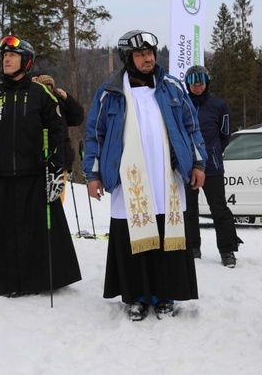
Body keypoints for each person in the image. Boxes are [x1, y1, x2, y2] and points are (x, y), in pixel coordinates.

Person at [84, 29, 207, 321]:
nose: (148, 58)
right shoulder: (109, 93)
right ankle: (137, 297)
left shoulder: (172, 87)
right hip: (129, 183)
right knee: (132, 240)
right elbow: (95, 135)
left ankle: (164, 296)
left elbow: (192, 129)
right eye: (140, 54)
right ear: (128, 59)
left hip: (167, 179)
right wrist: (93, 174)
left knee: (167, 237)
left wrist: (199, 165)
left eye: (150, 53)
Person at [0, 36, 81, 297]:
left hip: (35, 176)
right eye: (4, 55)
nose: (7, 59)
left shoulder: (41, 94)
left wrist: (56, 170)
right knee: (4, 233)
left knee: (36, 232)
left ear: (26, 61)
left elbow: (56, 133)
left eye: (13, 55)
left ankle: (40, 281)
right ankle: (7, 283)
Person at [183, 65, 239, 267]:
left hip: (212, 167)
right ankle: (192, 248)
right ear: (187, 85)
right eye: (193, 84)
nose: (197, 87)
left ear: (207, 83)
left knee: (219, 209)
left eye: (201, 83)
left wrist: (214, 152)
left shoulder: (219, 105)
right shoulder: (182, 104)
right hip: (187, 167)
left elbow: (225, 135)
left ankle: (227, 250)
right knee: (188, 210)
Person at [31, 72, 85, 201]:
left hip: (61, 159)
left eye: (50, 87)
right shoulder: (33, 104)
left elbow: (78, 118)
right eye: (44, 87)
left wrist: (67, 98)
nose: (48, 91)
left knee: (57, 200)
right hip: (38, 159)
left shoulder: (60, 103)